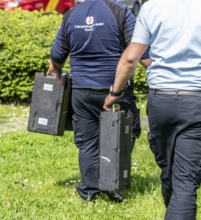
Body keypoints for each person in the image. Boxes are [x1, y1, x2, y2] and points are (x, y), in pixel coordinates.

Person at [103, 0, 201, 219]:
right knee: (185, 182)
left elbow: (131, 57)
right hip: (199, 103)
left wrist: (115, 92)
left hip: (161, 101)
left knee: (170, 174)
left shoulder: (152, 7)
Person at [48, 0, 150, 202]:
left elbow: (56, 55)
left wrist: (57, 73)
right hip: (116, 90)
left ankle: (89, 191)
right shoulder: (121, 12)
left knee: (87, 140)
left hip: (82, 91)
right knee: (124, 134)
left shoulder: (71, 14)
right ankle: (112, 183)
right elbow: (140, 52)